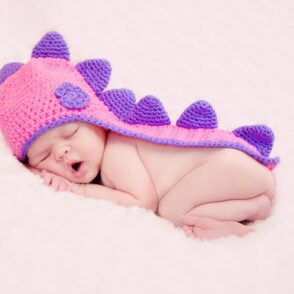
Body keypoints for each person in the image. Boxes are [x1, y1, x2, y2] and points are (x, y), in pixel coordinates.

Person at [0, 32, 279, 240]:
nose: (61, 152)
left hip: (228, 167)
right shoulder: (101, 158)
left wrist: (79, 190)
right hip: (231, 171)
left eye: (71, 132)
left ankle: (254, 207)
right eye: (45, 155)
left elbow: (142, 201)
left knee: (171, 210)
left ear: (97, 122)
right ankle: (249, 206)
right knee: (180, 210)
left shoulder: (118, 150)